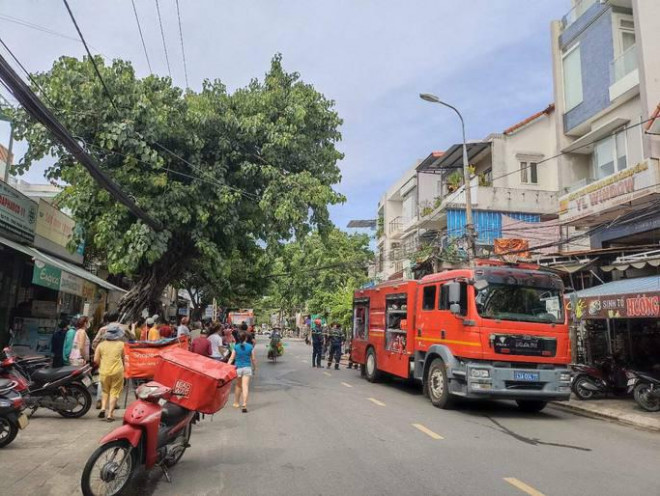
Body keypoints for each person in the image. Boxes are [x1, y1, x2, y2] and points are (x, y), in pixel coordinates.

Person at [94, 324, 125, 421]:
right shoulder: (121, 344)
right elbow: (124, 358)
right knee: (114, 391)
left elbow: (95, 360)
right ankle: (110, 414)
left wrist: (101, 364)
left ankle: (103, 408)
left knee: (105, 391)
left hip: (104, 371)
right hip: (117, 371)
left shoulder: (101, 345)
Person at [228, 332, 256, 413]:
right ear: (246, 338)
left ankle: (236, 402)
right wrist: (255, 368)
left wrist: (226, 367)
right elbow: (253, 359)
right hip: (247, 368)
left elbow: (231, 358)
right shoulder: (250, 347)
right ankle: (244, 404)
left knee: (238, 385)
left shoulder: (235, 347)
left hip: (238, 368)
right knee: (245, 386)